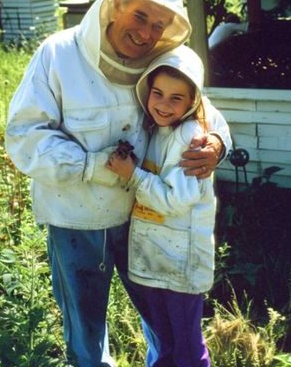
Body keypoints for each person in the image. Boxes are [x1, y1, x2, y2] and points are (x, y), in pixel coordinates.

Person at [5, 0, 232, 366]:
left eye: (158, 25)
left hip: (143, 219)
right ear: (115, 6)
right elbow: (26, 136)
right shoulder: (58, 54)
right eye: (140, 17)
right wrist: (95, 166)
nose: (147, 33)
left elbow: (202, 110)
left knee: (160, 321)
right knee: (86, 328)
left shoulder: (159, 61)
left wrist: (217, 144)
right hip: (76, 220)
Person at [106, 45, 226, 367]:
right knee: (166, 344)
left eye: (176, 98)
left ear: (193, 102)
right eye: (157, 93)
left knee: (187, 348)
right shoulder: (155, 130)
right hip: (157, 259)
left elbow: (175, 200)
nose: (163, 104)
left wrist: (133, 175)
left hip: (181, 262)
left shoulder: (191, 138)